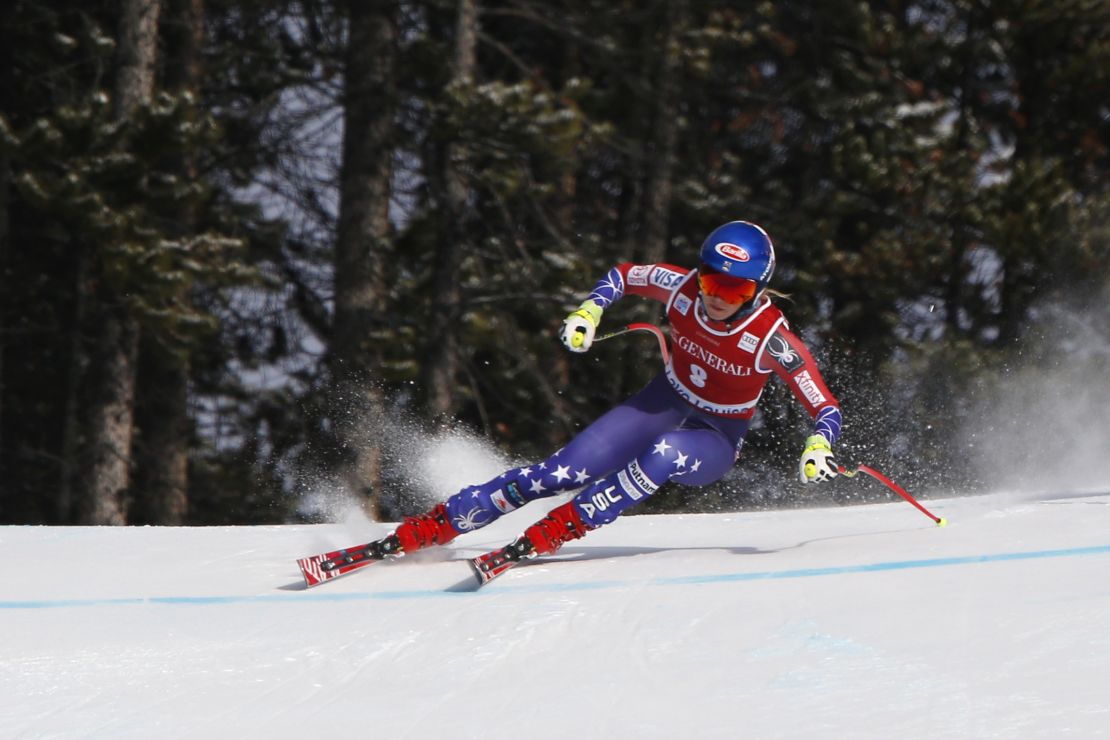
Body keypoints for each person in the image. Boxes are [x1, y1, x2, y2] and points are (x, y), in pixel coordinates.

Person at [374, 220, 842, 563]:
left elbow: (823, 405)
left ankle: (561, 527)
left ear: (757, 291)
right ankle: (443, 521)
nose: (718, 296)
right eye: (712, 279)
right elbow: (624, 275)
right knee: (560, 471)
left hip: (716, 435)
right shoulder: (681, 289)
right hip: (665, 399)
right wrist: (589, 312)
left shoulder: (771, 339)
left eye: (736, 289)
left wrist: (819, 444)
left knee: (666, 453)